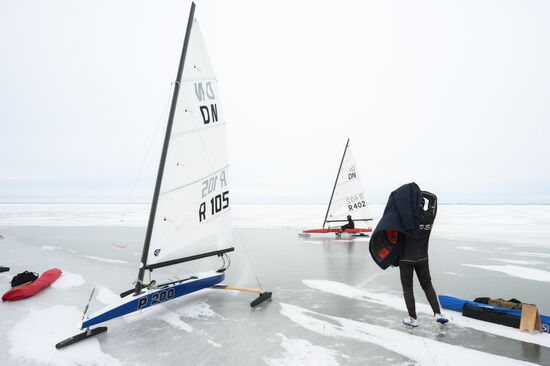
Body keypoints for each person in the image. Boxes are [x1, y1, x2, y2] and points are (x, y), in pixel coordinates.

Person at [400, 191, 448, 327]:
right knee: (427, 285)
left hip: (405, 258)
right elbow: (434, 198)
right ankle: (438, 313)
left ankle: (412, 319)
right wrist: (419, 193)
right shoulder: (429, 217)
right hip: (422, 257)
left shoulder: (406, 218)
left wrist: (412, 194)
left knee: (407, 287)